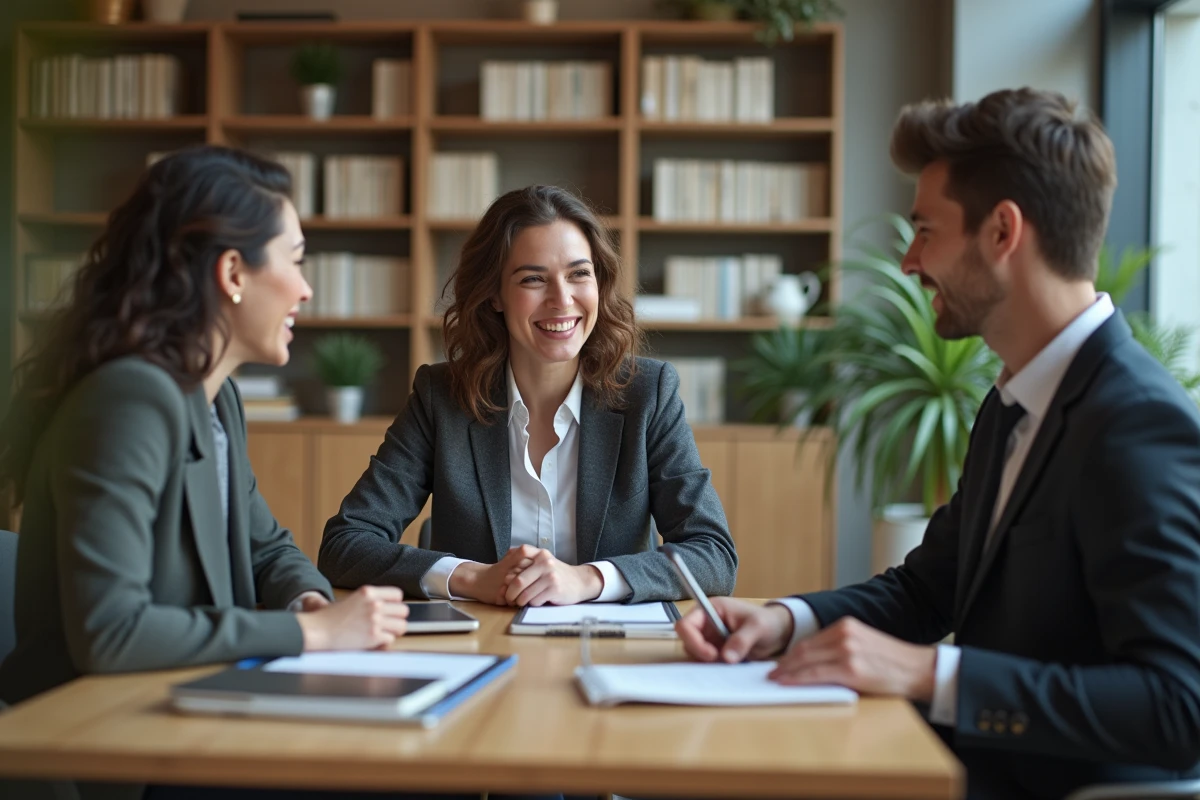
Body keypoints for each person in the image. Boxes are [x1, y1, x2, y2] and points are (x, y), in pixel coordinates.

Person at [676, 88, 1200, 800]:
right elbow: (930, 590)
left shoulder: (1136, 424)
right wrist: (785, 620)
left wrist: (929, 674)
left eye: (925, 229)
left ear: (1002, 232)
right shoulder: (1011, 404)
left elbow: (1179, 707)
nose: (908, 261)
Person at [0, 145, 410, 714]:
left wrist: (308, 602)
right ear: (233, 272)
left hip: (185, 706)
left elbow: (266, 547)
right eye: (295, 262)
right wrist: (312, 637)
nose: (305, 290)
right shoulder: (128, 401)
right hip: (99, 736)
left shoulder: (215, 400)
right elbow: (111, 631)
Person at [319, 185, 737, 607]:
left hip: (609, 649)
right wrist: (470, 577)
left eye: (579, 274)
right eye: (533, 279)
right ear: (495, 294)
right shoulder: (440, 397)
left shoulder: (648, 393)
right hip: (480, 647)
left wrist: (588, 580)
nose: (562, 300)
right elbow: (345, 544)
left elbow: (714, 555)